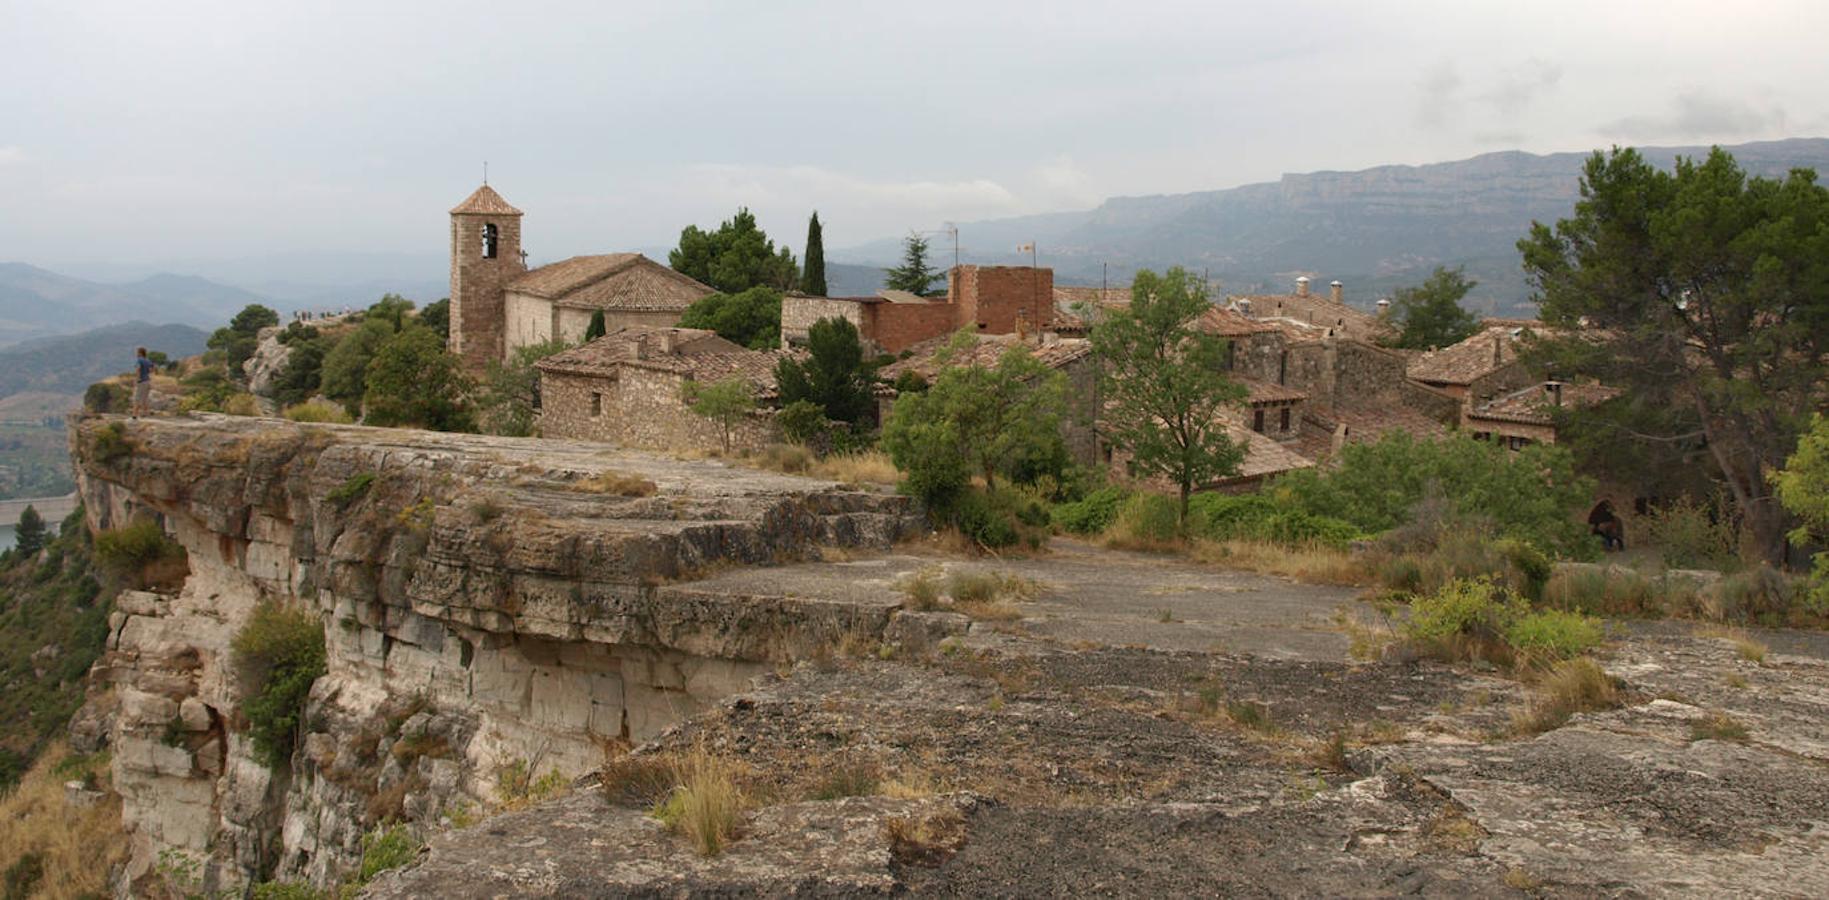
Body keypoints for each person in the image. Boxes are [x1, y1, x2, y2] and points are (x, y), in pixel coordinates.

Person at [132, 346, 155, 417]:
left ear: (140, 353)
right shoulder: (148, 360)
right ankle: (145, 414)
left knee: (137, 398)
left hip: (141, 381)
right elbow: (152, 369)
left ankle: (134, 416)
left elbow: (138, 369)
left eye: (137, 352)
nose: (136, 354)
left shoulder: (139, 360)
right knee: (144, 398)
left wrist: (137, 379)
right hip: (147, 381)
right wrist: (147, 372)